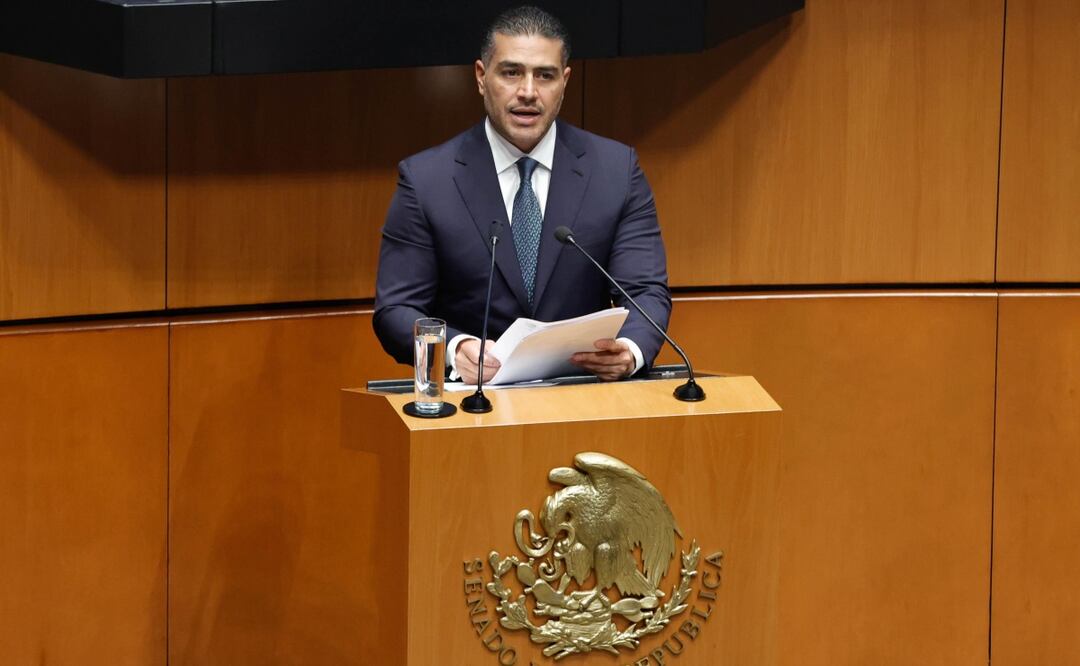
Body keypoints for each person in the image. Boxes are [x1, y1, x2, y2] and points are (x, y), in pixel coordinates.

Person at [373, 5, 671, 385]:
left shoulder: (615, 170)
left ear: (564, 82)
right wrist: (454, 347)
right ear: (482, 77)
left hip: (583, 396)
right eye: (511, 72)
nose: (528, 92)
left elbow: (645, 291)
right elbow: (396, 310)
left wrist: (630, 350)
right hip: (473, 405)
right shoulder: (427, 180)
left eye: (544, 76)